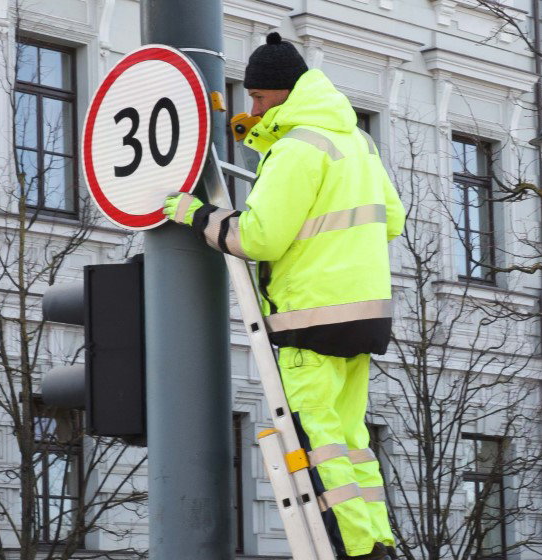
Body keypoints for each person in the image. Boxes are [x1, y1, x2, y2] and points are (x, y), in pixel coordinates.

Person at [163, 32, 405, 560]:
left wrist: (195, 214)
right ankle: (376, 540)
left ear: (281, 92)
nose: (251, 107)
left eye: (257, 97)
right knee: (350, 439)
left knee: (316, 438)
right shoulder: (355, 141)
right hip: (365, 313)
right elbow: (393, 219)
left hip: (309, 316)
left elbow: (259, 237)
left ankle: (354, 549)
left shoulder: (297, 147)